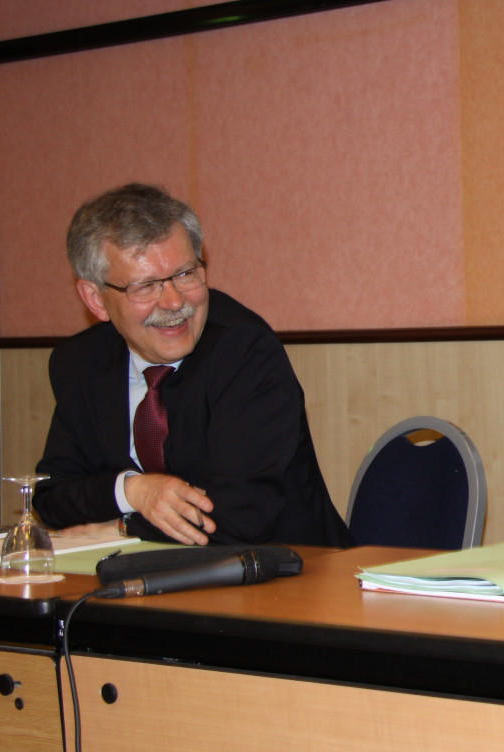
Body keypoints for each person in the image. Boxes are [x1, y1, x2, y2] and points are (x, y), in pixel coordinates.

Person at [33, 183, 353, 548]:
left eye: (186, 274)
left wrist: (121, 530)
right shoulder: (80, 364)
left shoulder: (244, 352)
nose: (173, 302)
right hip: (143, 587)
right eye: (146, 286)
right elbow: (51, 496)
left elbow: (240, 518)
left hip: (291, 578)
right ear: (96, 299)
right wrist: (134, 491)